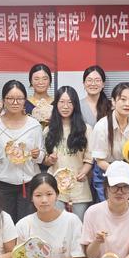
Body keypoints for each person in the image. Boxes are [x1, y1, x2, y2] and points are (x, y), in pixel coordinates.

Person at [0, 80, 45, 222]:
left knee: (27, 224)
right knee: (5, 225)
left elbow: (42, 155)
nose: (15, 102)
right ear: (3, 100)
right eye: (10, 98)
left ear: (25, 100)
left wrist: (37, 155)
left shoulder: (34, 125)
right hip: (3, 184)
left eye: (19, 98)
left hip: (28, 183)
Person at [43, 86, 93, 220]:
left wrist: (84, 171)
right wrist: (49, 160)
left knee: (78, 225)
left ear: (75, 105)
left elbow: (89, 159)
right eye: (61, 102)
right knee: (57, 224)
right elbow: (45, 160)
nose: (65, 106)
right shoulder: (48, 130)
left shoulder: (86, 129)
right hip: (55, 187)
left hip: (79, 187)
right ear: (56, 104)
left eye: (70, 102)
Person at [89, 82, 129, 202]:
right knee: (108, 208)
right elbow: (99, 161)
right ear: (113, 101)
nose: (127, 104)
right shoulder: (101, 126)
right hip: (105, 172)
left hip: (128, 172)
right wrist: (119, 172)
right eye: (123, 99)